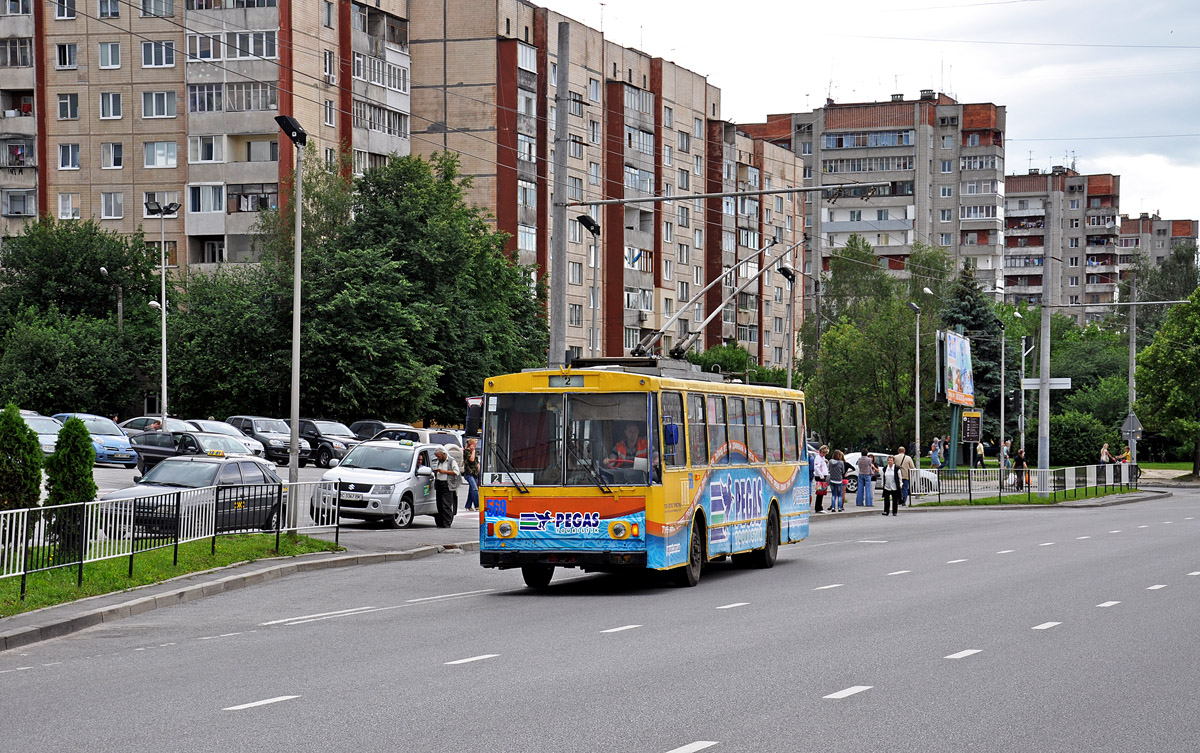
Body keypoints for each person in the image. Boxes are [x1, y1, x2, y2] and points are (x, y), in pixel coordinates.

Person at [431, 447, 461, 528]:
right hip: (439, 483)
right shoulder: (438, 461)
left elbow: (456, 472)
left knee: (446, 505)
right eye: (437, 457)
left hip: (447, 484)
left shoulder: (451, 461)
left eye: (439, 456)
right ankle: (440, 523)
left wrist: (444, 472)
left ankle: (447, 523)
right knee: (439, 504)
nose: (438, 458)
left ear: (444, 454)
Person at [462, 437, 481, 512]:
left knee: (471, 490)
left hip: (475, 473)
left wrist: (479, 471)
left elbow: (476, 462)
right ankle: (477, 505)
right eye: (474, 444)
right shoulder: (467, 451)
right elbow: (471, 459)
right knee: (474, 489)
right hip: (469, 473)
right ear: (471, 444)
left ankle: (468, 505)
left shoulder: (474, 451)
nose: (475, 445)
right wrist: (473, 451)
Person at [811, 445, 829, 513]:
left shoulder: (822, 457)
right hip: (820, 476)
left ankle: (819, 506)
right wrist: (821, 475)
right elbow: (816, 468)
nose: (824, 454)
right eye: (824, 453)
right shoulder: (818, 458)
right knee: (820, 493)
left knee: (822, 492)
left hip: (822, 476)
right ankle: (818, 507)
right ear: (821, 452)